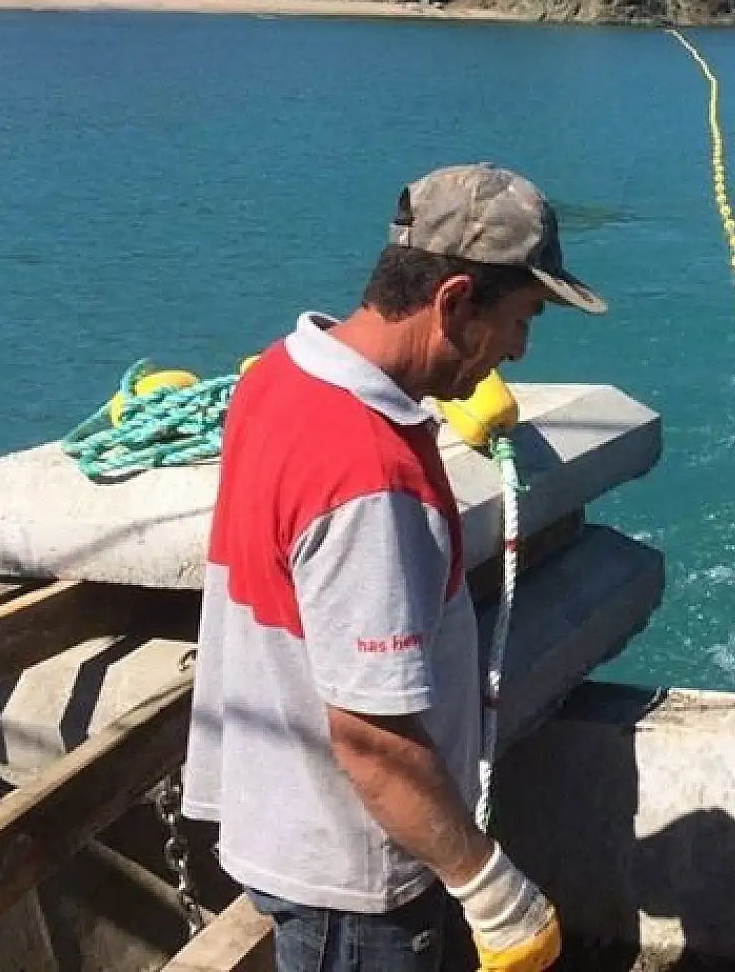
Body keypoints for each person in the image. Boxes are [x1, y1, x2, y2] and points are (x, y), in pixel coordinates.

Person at [180, 163, 607, 972]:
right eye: (520, 320)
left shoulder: (280, 373)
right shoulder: (369, 476)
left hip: (281, 821)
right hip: (355, 875)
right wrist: (492, 891)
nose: (518, 350)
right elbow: (373, 740)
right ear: (454, 301)